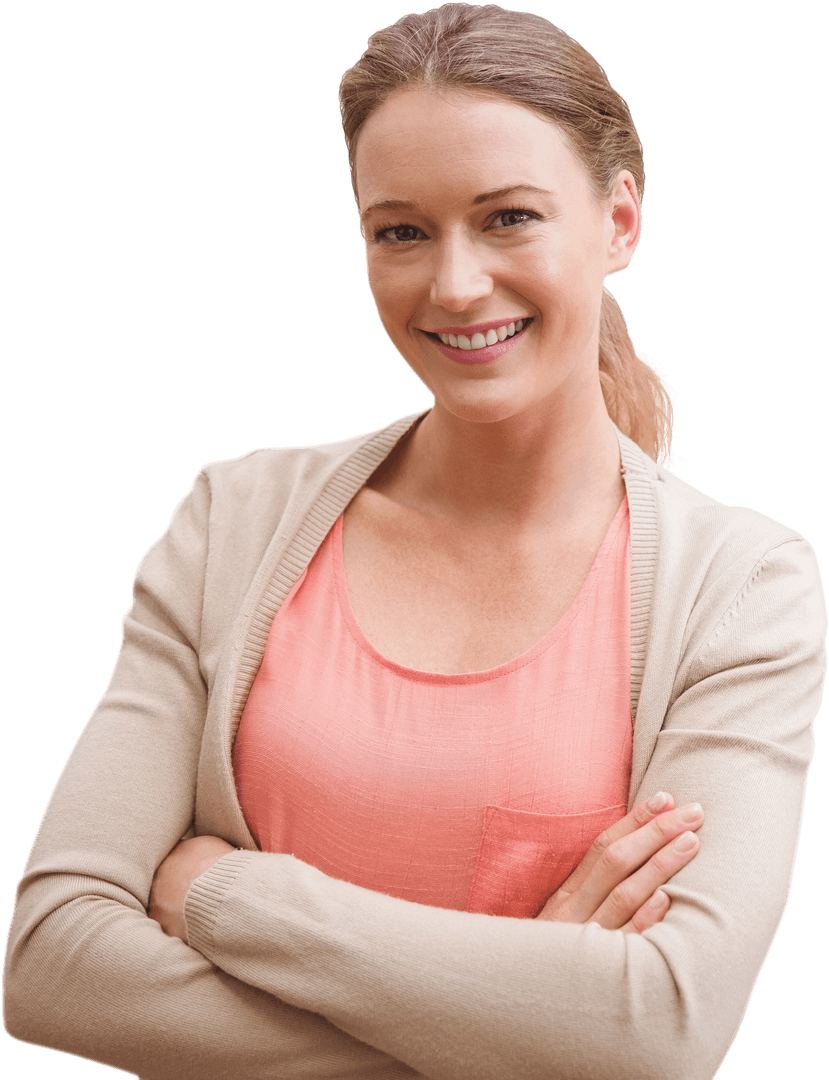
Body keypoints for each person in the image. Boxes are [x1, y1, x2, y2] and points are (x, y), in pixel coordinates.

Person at [3, 4, 826, 1079]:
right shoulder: (233, 520)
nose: (453, 285)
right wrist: (526, 1020)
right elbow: (52, 960)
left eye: (508, 218)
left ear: (618, 221)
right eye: (400, 230)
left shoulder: (742, 587)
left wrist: (226, 896)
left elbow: (662, 1029)